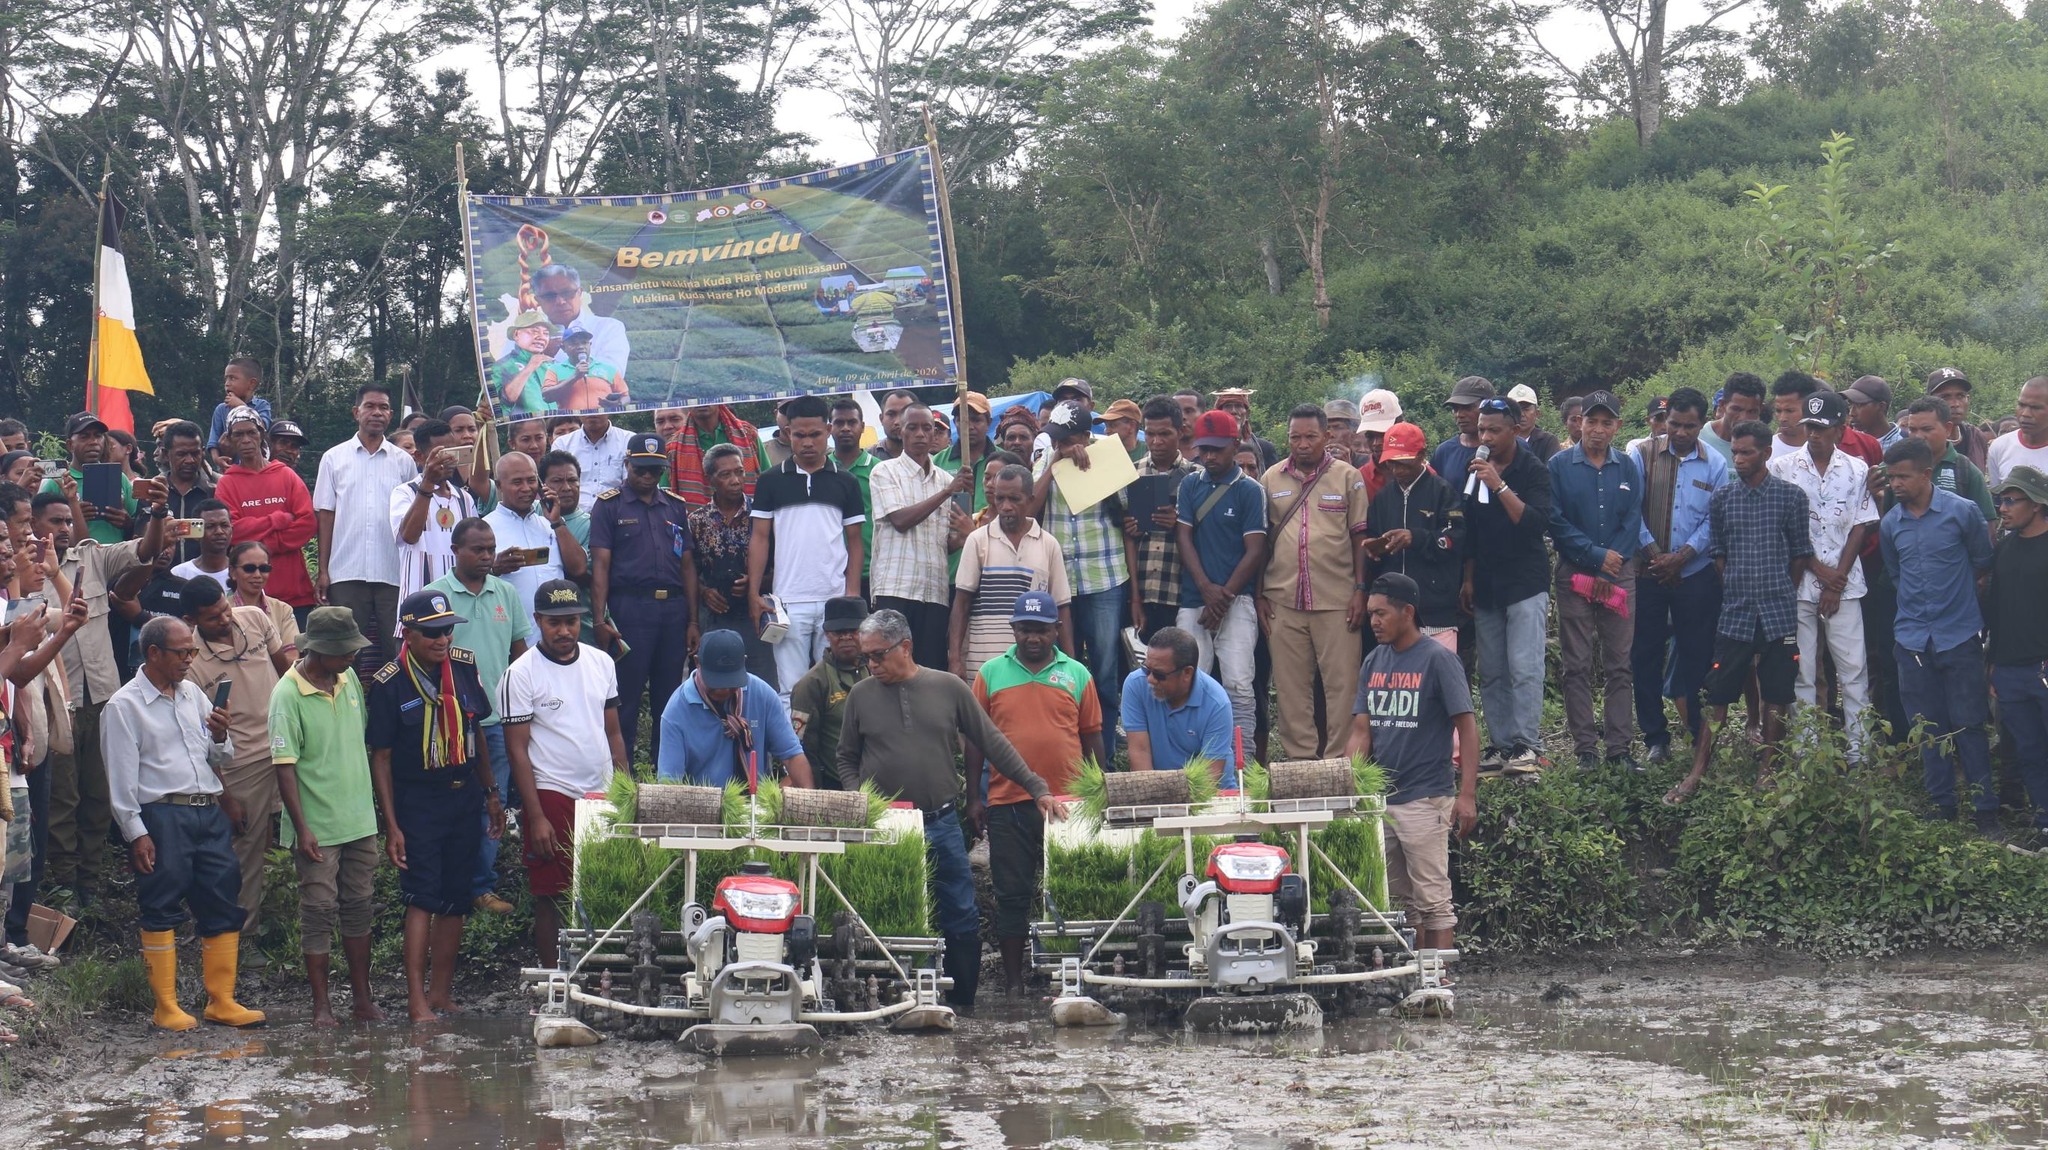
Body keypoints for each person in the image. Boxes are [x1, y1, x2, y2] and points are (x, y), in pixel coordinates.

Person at [837, 609, 1060, 1006]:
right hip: (886, 825)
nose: (870, 665)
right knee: (888, 910)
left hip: (940, 820)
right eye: (865, 658)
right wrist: (859, 801)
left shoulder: (948, 688)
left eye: (877, 655)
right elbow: (846, 758)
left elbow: (992, 741)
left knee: (960, 912)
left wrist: (1036, 787)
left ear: (905, 647)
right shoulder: (861, 696)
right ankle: (890, 1000)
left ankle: (962, 1005)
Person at [107, 616, 265, 1031]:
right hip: (163, 813)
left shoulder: (192, 692)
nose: (189, 661)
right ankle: (166, 1006)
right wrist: (136, 832)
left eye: (192, 651)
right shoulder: (124, 706)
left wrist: (219, 735)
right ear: (153, 653)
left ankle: (222, 1001)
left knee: (221, 895)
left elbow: (218, 758)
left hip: (205, 808)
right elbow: (120, 779)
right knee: (160, 902)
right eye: (183, 653)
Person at [366, 589, 505, 1023]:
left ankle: (442, 993)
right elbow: (382, 757)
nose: (442, 640)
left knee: (457, 897)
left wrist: (492, 794)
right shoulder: (390, 682)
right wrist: (391, 824)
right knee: (422, 897)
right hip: (417, 800)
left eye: (447, 630)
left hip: (463, 794)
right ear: (408, 633)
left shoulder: (462, 667)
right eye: (432, 633)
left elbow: (477, 732)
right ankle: (416, 999)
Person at [1665, 421, 1811, 806]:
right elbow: (1719, 554)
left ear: (1766, 453)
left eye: (1747, 452)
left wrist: (1780, 589)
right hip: (1736, 612)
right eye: (1735, 452)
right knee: (1719, 693)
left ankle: (1767, 769)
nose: (1739, 459)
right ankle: (1697, 770)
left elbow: (1799, 553)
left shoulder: (1791, 497)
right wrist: (1737, 587)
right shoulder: (1723, 498)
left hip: (1778, 610)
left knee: (1777, 692)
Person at [39, 482, 167, 907]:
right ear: (33, 525)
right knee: (63, 798)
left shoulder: (91, 556)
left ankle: (89, 887)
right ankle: (62, 889)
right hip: (56, 701)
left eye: (65, 520)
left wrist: (158, 511)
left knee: (99, 794)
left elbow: (145, 551)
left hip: (103, 698)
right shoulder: (23, 572)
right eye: (52, 521)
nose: (61, 529)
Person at [970, 590, 1102, 997]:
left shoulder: (1077, 674)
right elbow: (975, 740)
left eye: (1041, 631)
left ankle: (1073, 980)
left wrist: (1100, 791)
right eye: (1025, 629)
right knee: (1012, 894)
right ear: (1013, 629)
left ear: (1056, 630)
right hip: (1007, 802)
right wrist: (973, 796)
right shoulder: (990, 674)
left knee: (1071, 889)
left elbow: (1092, 737)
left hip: (1068, 805)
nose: (1032, 638)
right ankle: (1013, 984)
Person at [1345, 573, 1478, 950]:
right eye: (1371, 613)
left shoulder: (1438, 659)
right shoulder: (1374, 660)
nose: (1373, 621)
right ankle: (1414, 979)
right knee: (1401, 905)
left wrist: (1466, 795)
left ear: (1408, 613)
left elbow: (1467, 728)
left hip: (1426, 797)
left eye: (1382, 614)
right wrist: (1350, 784)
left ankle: (1440, 983)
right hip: (1384, 800)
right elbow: (1361, 732)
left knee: (1434, 901)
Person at [501, 580, 629, 967]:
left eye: (571, 621)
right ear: (538, 621)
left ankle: (599, 971)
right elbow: (517, 750)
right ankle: (552, 978)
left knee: (604, 885)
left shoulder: (601, 662)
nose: (564, 631)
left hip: (601, 794)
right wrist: (534, 815)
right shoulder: (520, 674)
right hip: (552, 792)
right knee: (551, 894)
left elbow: (614, 732)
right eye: (554, 622)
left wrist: (626, 792)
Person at [269, 606, 382, 1026]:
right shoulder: (286, 695)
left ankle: (361, 999)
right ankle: (321, 1005)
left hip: (358, 819)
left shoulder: (349, 677)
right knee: (317, 910)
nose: (353, 657)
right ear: (317, 651)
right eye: (344, 651)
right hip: (317, 826)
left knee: (360, 907)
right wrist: (302, 828)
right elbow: (284, 767)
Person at [1880, 437, 1997, 835]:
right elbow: (1896, 575)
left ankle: (1985, 810)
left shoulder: (1962, 513)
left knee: (1970, 724)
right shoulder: (1890, 523)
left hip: (1959, 635)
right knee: (1927, 727)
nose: (1896, 484)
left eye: (1903, 476)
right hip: (1912, 641)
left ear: (1926, 474)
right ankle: (1942, 805)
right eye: (1891, 476)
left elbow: (1982, 562)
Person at [426, 519, 531, 916]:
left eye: (490, 549)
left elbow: (521, 655)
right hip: (448, 722)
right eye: (478, 550)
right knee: (449, 803)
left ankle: (480, 888)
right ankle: (443, 887)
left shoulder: (505, 592)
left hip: (497, 723)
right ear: (455, 549)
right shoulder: (435, 596)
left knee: (495, 802)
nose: (487, 556)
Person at [1768, 390, 1878, 758]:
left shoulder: (1856, 468)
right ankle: (1806, 752)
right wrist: (1817, 570)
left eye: (1822, 427)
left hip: (1845, 585)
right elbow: (1783, 529)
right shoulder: (1781, 469)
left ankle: (1859, 754)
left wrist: (1837, 579)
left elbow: (1860, 526)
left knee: (1853, 670)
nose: (1814, 434)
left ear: (1840, 429)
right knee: (1803, 671)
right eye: (1810, 426)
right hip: (1798, 583)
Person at [181, 576, 290, 946]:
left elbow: (287, 669)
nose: (225, 619)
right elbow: (200, 740)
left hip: (286, 743)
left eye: (224, 610)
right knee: (246, 848)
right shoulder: (190, 663)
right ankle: (241, 935)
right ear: (192, 620)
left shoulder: (255, 619)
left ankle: (292, 919)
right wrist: (224, 795)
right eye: (213, 618)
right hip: (240, 761)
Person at [1258, 404, 1369, 760]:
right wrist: (1260, 594)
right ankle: (1301, 764)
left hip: (1337, 599)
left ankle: (1341, 765)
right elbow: (1261, 541)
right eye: (1295, 437)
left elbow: (1359, 538)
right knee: (1291, 690)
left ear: (1326, 436)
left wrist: (1360, 590)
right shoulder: (1270, 479)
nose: (1302, 444)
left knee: (1342, 688)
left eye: (1310, 437)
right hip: (1283, 600)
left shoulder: (1348, 477)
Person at [1028, 398, 1134, 753]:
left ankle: (1103, 755)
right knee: (1062, 670)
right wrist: (1054, 464)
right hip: (1061, 585)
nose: (1058, 445)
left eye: (1066, 439)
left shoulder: (1110, 455)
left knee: (1105, 671)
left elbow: (1128, 512)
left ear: (1086, 436)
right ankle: (1068, 749)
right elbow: (1030, 508)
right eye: (1055, 439)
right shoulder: (1046, 459)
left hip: (1104, 578)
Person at [1546, 391, 1643, 770]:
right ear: (1579, 422)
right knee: (1577, 663)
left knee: (1620, 663)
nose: (1598, 429)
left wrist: (1609, 565)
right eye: (1592, 421)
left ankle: (1619, 748)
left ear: (1617, 427)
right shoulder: (1558, 466)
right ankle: (1585, 747)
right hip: (1575, 574)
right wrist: (1595, 557)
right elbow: (1556, 521)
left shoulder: (1627, 467)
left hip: (1619, 575)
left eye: (1607, 422)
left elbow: (1632, 519)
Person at [749, 395, 866, 703]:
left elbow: (855, 540)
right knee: (791, 689)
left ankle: (829, 752)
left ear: (827, 430)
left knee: (836, 688)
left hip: (834, 598)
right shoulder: (770, 481)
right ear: (788, 433)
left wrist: (851, 592)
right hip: (787, 602)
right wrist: (754, 595)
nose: (807, 442)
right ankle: (795, 752)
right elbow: (759, 538)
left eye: (815, 434)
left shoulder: (847, 481)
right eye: (799, 435)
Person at [1631, 388, 1727, 763]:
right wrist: (1658, 557)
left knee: (1697, 655)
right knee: (1645, 654)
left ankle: (1699, 735)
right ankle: (1655, 737)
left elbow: (1713, 520)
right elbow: (1631, 510)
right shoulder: (1641, 454)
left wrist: (1682, 557)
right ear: (1665, 420)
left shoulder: (1716, 463)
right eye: (1674, 424)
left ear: (1702, 424)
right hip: (1647, 571)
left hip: (1696, 574)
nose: (1681, 432)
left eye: (1689, 426)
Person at [1461, 396, 1554, 774]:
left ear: (1515, 430)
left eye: (1494, 430)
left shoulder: (1533, 469)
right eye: (1482, 429)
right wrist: (1467, 579)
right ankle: (1500, 745)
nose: (1485, 436)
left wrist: (1499, 485)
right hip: (1486, 583)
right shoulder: (1474, 468)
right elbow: (1468, 527)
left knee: (1524, 665)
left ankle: (1526, 744)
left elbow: (1535, 524)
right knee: (1494, 669)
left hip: (1525, 583)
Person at [1173, 410, 1268, 743]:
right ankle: (1196, 757)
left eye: (1217, 449)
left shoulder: (1250, 490)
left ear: (1235, 444)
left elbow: (1255, 550)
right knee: (1190, 680)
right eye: (1204, 449)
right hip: (1194, 598)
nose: (1209, 456)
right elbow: (1183, 537)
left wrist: (1222, 596)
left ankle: (1241, 761)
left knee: (1239, 682)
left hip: (1236, 600)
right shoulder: (1189, 484)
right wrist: (1205, 589)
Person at [316, 382, 418, 669]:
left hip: (394, 571)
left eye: (383, 407)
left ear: (391, 414)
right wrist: (323, 571)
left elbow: (412, 516)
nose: (377, 412)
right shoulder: (333, 458)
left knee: (397, 651)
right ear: (355, 412)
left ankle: (394, 712)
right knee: (344, 652)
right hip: (346, 570)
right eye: (370, 406)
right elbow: (326, 515)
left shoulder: (404, 462)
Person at [870, 404, 973, 666]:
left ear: (934, 433)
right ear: (901, 432)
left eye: (927, 428)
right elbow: (901, 520)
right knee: (891, 666)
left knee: (929, 669)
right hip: (896, 588)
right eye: (912, 427)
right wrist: (947, 493)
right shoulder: (884, 471)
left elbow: (943, 542)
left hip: (934, 592)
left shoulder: (944, 479)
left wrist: (960, 540)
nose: (920, 434)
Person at [951, 465, 1073, 679]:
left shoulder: (1048, 544)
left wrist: (1071, 666)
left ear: (1030, 499)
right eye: (1000, 499)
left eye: (1014, 499)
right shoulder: (978, 540)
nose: (1006, 506)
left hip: (1034, 666)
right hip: (983, 665)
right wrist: (955, 660)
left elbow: (1061, 607)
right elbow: (961, 603)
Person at [656, 629, 812, 788]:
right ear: (697, 662)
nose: (722, 690)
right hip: (701, 806)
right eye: (715, 681)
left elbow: (792, 756)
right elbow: (670, 784)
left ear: (743, 662)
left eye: (730, 681)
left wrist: (808, 803)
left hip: (756, 804)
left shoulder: (762, 694)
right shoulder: (676, 711)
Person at [1987, 467, 2048, 851]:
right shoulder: (2005, 546)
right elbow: (1998, 608)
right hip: (2009, 668)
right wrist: (1993, 662)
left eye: (2012, 500)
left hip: (2043, 666)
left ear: (2038, 505)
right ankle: (2044, 823)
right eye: (2001, 501)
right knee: (2028, 749)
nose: (2003, 509)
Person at [1363, 423, 1465, 638]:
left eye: (1403, 462)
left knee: (1437, 670)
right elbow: (1372, 532)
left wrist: (1415, 537)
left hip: (1435, 610)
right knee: (1399, 672)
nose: (1397, 469)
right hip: (1392, 612)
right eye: (1391, 462)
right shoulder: (1383, 498)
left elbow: (1457, 539)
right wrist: (1373, 548)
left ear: (1421, 455)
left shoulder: (1443, 491)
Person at [216, 405, 316, 621]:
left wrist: (264, 543)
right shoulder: (227, 483)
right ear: (230, 440)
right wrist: (276, 520)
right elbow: (232, 531)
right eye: (238, 434)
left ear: (261, 435)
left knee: (295, 654)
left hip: (294, 593)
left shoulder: (285, 475)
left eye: (251, 432)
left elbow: (307, 524)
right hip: (251, 597)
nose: (245, 440)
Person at [686, 443, 774, 686]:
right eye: (725, 474)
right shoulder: (696, 521)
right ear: (710, 479)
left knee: (760, 685)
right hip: (714, 619)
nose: (735, 480)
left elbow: (782, 565)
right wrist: (704, 593)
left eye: (739, 472)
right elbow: (688, 570)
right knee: (716, 684)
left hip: (756, 617)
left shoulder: (762, 513)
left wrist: (755, 584)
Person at [483, 451, 586, 645]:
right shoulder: (486, 528)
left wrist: (557, 522)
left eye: (531, 480)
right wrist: (494, 569)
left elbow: (579, 568)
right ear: (499, 485)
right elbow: (466, 580)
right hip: (509, 639)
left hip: (556, 639)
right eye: (517, 482)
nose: (526, 488)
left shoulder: (549, 524)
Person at [1120, 626, 1237, 785]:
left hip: (1212, 795)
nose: (1150, 679)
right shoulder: (1135, 685)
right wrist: (1153, 797)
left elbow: (1209, 777)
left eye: (1159, 675)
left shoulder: (1217, 703)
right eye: (1147, 669)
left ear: (1187, 673)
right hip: (1157, 790)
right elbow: (1140, 752)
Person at [390, 419, 480, 613]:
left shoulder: (464, 498)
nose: (448, 461)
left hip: (460, 605)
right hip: (418, 604)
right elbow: (409, 536)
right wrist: (427, 485)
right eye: (440, 455)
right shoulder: (404, 492)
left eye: (453, 452)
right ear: (420, 457)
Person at [1123, 397, 1194, 641]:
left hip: (1180, 591)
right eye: (1150, 434)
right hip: (1141, 589)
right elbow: (1127, 539)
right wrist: (1134, 597)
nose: (1156, 441)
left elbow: (1207, 537)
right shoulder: (1131, 473)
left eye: (1164, 434)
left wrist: (1180, 526)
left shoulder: (1196, 477)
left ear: (1181, 431)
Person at [787, 596, 868, 789]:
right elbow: (804, 747)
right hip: (835, 784)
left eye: (853, 631)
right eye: (839, 632)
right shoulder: (812, 683)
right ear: (827, 634)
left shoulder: (878, 669)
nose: (846, 638)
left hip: (879, 782)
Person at [42, 412, 137, 546]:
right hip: (74, 558)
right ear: (70, 445)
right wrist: (72, 516)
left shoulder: (119, 478)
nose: (93, 442)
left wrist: (127, 522)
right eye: (84, 437)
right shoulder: (58, 481)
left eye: (98, 436)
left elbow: (140, 524)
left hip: (116, 558)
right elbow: (40, 527)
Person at [1895, 396, 1994, 519]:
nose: (1918, 436)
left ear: (1948, 429)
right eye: (1912, 429)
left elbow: (1987, 525)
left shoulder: (1966, 471)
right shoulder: (1895, 469)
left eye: (1927, 429)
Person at [532, 262, 631, 378]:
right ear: (538, 300)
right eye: (549, 296)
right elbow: (510, 382)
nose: (560, 301)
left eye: (567, 293)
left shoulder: (608, 328)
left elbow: (611, 377)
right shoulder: (523, 334)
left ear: (580, 293)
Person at [828, 397, 880, 593]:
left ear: (863, 426)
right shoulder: (821, 470)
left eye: (852, 422)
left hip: (871, 572)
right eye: (839, 423)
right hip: (831, 572)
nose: (846, 428)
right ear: (829, 428)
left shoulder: (879, 470)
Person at [666, 404, 762, 505]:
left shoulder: (747, 434)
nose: (701, 402)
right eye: (693, 395)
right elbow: (666, 495)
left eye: (706, 394)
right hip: (694, 519)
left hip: (751, 517)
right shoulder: (673, 447)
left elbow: (767, 478)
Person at [154, 420, 212, 565]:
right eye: (181, 454)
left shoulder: (214, 492)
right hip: (160, 581)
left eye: (195, 453)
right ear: (166, 454)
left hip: (203, 581)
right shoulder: (154, 492)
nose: (189, 460)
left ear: (203, 452)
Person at [552, 415, 633, 511]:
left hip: (616, 515)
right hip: (573, 518)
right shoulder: (562, 444)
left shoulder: (628, 440)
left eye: (597, 405)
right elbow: (557, 486)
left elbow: (630, 486)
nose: (592, 412)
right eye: (587, 406)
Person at [493, 310, 560, 416]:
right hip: (525, 430)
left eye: (546, 334)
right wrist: (530, 368)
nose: (541, 337)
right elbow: (494, 406)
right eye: (534, 331)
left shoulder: (553, 365)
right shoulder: (501, 366)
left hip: (557, 429)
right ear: (516, 334)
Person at [1431, 376, 1494, 489]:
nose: (1459, 414)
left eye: (1467, 407)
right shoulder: (1444, 452)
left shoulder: (1508, 449)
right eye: (1455, 409)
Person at [540, 329, 627, 411]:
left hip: (601, 421)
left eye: (584, 343)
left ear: (590, 345)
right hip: (572, 423)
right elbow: (547, 397)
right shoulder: (555, 369)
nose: (580, 347)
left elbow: (625, 396)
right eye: (574, 344)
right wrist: (574, 377)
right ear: (563, 348)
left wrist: (618, 404)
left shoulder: (608, 369)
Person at [1986, 377, 2048, 488]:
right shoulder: (1999, 447)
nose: (2025, 413)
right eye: (2021, 405)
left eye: (2036, 408)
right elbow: (1998, 499)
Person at [1925, 367, 1989, 471]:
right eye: (1945, 397)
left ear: (1968, 399)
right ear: (1930, 400)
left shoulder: (1976, 437)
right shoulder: (1923, 439)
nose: (1955, 404)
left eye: (1960, 396)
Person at [207, 356, 273, 455]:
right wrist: (217, 459)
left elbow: (262, 428)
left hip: (255, 466)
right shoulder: (221, 409)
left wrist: (241, 407)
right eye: (226, 379)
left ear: (251, 383)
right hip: (228, 467)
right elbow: (213, 441)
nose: (227, 384)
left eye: (232, 378)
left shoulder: (262, 406)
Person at [1700, 372, 1765, 464]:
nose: (1743, 418)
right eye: (1736, 409)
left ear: (1761, 409)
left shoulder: (1763, 444)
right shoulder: (1700, 437)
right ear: (1722, 405)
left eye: (1751, 412)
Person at [169, 500, 235, 589]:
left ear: (232, 530)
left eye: (224, 525)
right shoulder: (180, 574)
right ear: (196, 534)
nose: (219, 531)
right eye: (210, 526)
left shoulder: (241, 573)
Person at [1211, 388, 1278, 472]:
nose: (1233, 411)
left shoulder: (1265, 448)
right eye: (1228, 406)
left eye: (1239, 406)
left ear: (1247, 413)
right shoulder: (1208, 448)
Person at [1843, 376, 1904, 448]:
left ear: (1881, 406)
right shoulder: (1847, 441)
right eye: (1851, 404)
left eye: (1859, 405)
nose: (1852, 413)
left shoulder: (1903, 445)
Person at [1512, 384, 1562, 461]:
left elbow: (1551, 471)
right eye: (1517, 410)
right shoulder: (1503, 441)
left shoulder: (1548, 441)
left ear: (1537, 413)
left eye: (1526, 409)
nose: (1522, 414)